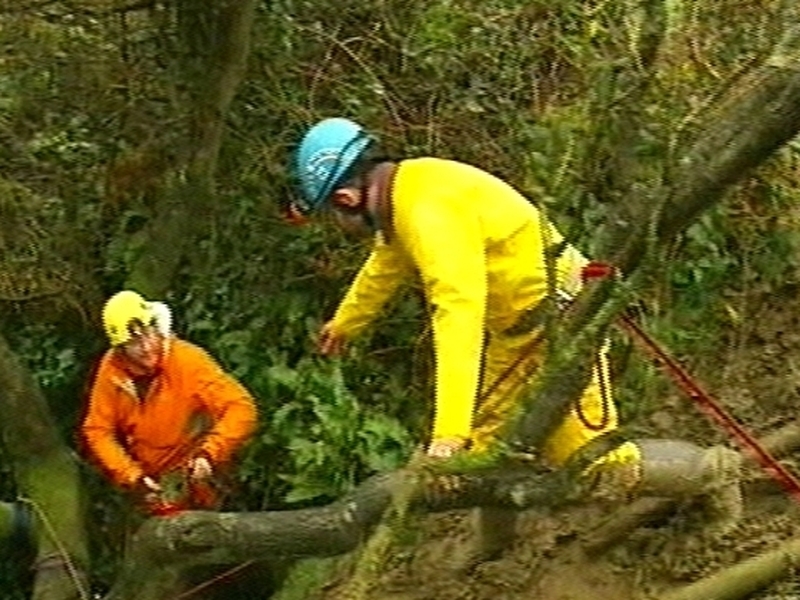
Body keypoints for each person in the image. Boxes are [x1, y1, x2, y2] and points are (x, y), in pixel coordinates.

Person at [290, 117, 743, 564]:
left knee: (594, 464)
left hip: (566, 326)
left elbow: (458, 312)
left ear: (347, 198)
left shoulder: (427, 212)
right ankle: (493, 546)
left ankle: (714, 473)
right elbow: (385, 263)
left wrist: (448, 432)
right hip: (515, 335)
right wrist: (346, 322)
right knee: (483, 453)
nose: (338, 223)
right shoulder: (406, 194)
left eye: (332, 213)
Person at [82, 290, 258, 514]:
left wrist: (209, 454)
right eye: (134, 342)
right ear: (120, 348)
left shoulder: (187, 360)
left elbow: (241, 407)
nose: (146, 347)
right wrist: (132, 477)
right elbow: (98, 430)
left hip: (199, 479)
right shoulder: (112, 371)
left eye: (148, 334)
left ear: (156, 326)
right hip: (152, 486)